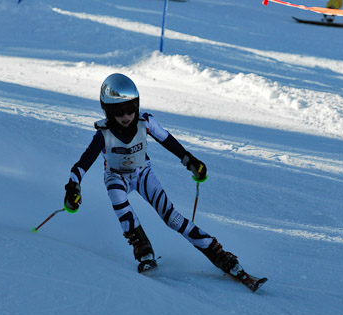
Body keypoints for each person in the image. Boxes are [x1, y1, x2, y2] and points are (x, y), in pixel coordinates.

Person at [63, 73, 263, 289]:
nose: (126, 116)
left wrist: (190, 161)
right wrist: (73, 187)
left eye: (131, 108)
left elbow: (168, 140)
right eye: (118, 112)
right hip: (115, 176)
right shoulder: (104, 134)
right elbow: (82, 165)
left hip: (142, 173)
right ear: (107, 111)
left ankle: (220, 254)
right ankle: (143, 251)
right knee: (122, 208)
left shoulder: (145, 123)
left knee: (172, 218)